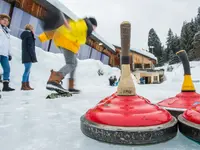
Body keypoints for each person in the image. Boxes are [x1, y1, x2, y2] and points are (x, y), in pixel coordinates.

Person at [39, 16, 97, 93]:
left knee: (74, 63)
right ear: (91, 24)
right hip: (66, 43)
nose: (94, 29)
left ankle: (71, 86)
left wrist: (42, 37)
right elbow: (67, 30)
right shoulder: (84, 26)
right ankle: (53, 81)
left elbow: (61, 29)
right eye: (94, 27)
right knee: (71, 63)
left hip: (65, 43)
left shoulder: (80, 25)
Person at [20, 24, 37, 90]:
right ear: (30, 29)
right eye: (32, 28)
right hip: (28, 55)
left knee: (28, 70)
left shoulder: (26, 35)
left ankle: (26, 85)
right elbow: (30, 47)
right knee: (27, 70)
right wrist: (33, 56)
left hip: (25, 55)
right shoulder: (29, 35)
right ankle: (24, 85)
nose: (33, 29)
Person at [0, 14, 15, 91]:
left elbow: (8, 44)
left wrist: (9, 54)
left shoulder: (7, 31)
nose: (5, 22)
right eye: (4, 20)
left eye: (7, 21)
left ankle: (5, 86)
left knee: (7, 69)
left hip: (4, 54)